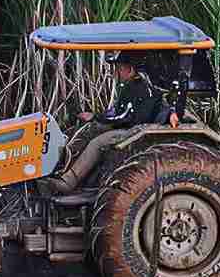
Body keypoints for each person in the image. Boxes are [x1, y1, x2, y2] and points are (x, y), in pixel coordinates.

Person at [43, 51, 177, 194]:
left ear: (130, 69)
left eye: (119, 68)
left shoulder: (136, 87)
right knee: (92, 130)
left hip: (134, 131)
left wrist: (95, 117)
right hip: (132, 126)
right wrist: (98, 118)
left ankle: (68, 183)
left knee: (97, 143)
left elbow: (123, 116)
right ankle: (68, 171)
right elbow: (117, 112)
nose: (117, 72)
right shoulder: (136, 85)